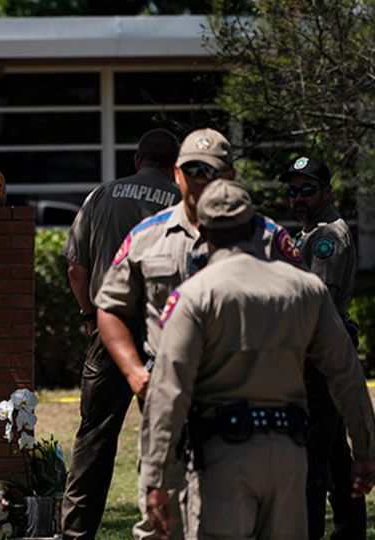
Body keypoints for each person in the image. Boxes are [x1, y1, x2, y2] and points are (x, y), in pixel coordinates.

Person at [94, 128, 302, 540]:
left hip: (246, 405)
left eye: (211, 172)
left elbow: (306, 308)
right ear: (176, 174)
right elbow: (110, 307)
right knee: (160, 522)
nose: (200, 180)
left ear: (231, 175)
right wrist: (135, 372)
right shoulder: (147, 237)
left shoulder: (266, 237)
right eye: (192, 171)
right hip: (169, 399)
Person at [141, 180, 375, 539]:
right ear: (255, 226)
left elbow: (168, 392)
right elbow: (346, 375)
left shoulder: (193, 297)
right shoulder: (306, 289)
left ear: (201, 231)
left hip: (222, 455)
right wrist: (365, 449)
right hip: (288, 453)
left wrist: (156, 475)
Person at [60, 129, 182, 539]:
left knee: (94, 437)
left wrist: (90, 315)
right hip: (166, 337)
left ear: (136, 160)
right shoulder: (185, 202)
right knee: (172, 440)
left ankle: (76, 533)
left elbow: (76, 267)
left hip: (109, 332)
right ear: (174, 164)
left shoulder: (100, 197)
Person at [280, 156, 364, 539]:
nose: (298, 197)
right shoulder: (309, 231)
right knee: (334, 457)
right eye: (293, 190)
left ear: (327, 191)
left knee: (310, 461)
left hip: (318, 356)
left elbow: (318, 301)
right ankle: (349, 531)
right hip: (319, 353)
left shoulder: (328, 235)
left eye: (307, 189)